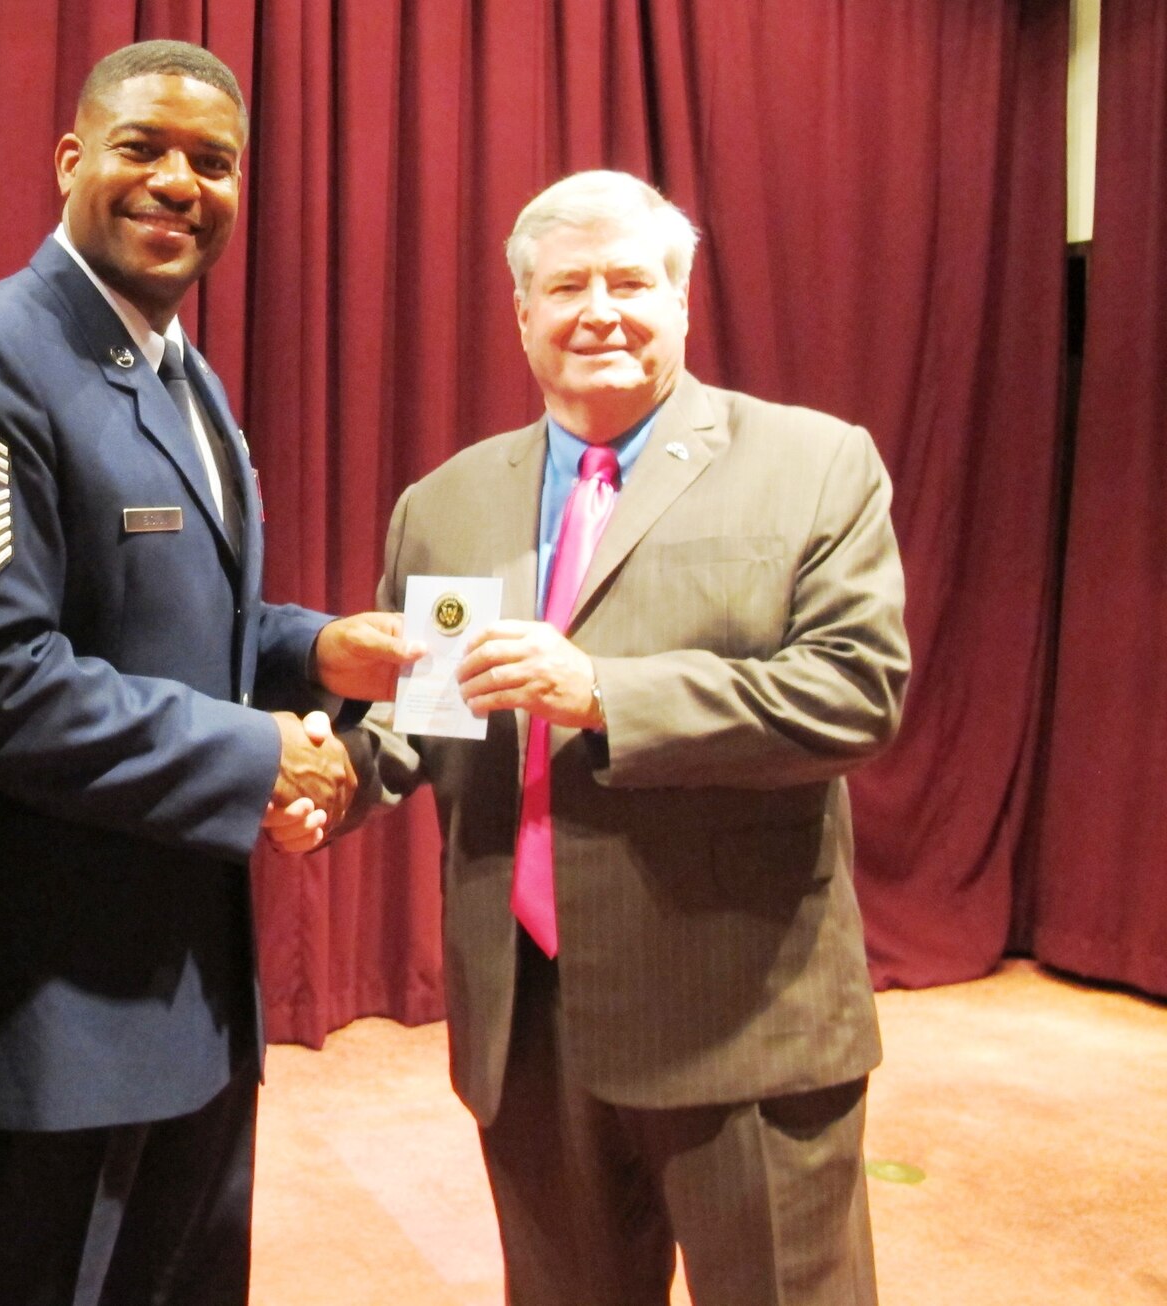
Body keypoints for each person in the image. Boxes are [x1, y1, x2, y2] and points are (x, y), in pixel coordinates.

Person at [0, 39, 416, 1306]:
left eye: (211, 162)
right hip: (50, 1009)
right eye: (142, 147)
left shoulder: (181, 372)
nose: (179, 181)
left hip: (193, 998)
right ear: (68, 162)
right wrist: (257, 750)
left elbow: (167, 624)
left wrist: (312, 650)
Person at [350, 170, 909, 1304]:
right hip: (528, 1027)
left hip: (737, 1016)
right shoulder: (444, 503)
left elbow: (853, 692)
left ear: (682, 302)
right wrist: (317, 774)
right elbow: (427, 715)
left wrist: (604, 690)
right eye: (564, 285)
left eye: (628, 281)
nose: (597, 309)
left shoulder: (811, 464)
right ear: (519, 314)